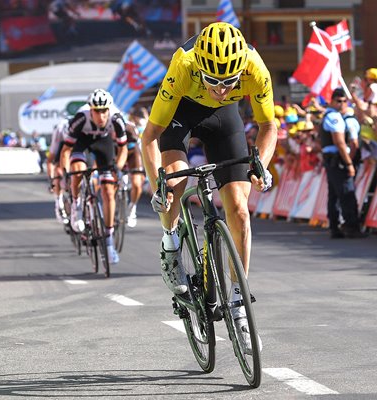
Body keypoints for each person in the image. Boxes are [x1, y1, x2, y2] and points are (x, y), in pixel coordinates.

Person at [141, 22, 276, 354]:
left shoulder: (254, 67)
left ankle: (238, 305)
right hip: (181, 114)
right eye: (213, 81)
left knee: (240, 212)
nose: (221, 89)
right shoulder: (183, 64)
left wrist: (263, 164)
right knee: (176, 182)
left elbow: (268, 125)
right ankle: (171, 243)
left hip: (224, 120)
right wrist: (157, 185)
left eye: (229, 82)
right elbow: (148, 138)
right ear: (200, 67)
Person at [61, 89, 128, 264]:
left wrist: (118, 169)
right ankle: (76, 206)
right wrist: (66, 173)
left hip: (103, 143)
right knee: (78, 169)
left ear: (109, 110)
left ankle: (108, 240)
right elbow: (66, 150)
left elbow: (123, 149)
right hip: (82, 141)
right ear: (90, 110)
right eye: (97, 111)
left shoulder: (116, 118)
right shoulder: (80, 118)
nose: (101, 115)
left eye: (104, 111)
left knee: (108, 190)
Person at [320, 88, 365, 239]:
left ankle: (335, 227)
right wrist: (349, 163)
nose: (342, 104)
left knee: (334, 194)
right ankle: (351, 226)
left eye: (344, 101)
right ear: (332, 101)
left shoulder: (331, 115)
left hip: (332, 159)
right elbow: (339, 143)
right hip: (337, 159)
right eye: (338, 101)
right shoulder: (334, 117)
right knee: (346, 194)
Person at [47, 117, 71, 224]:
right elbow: (50, 160)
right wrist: (52, 179)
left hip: (78, 146)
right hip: (61, 146)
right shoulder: (59, 131)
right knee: (58, 170)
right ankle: (59, 202)